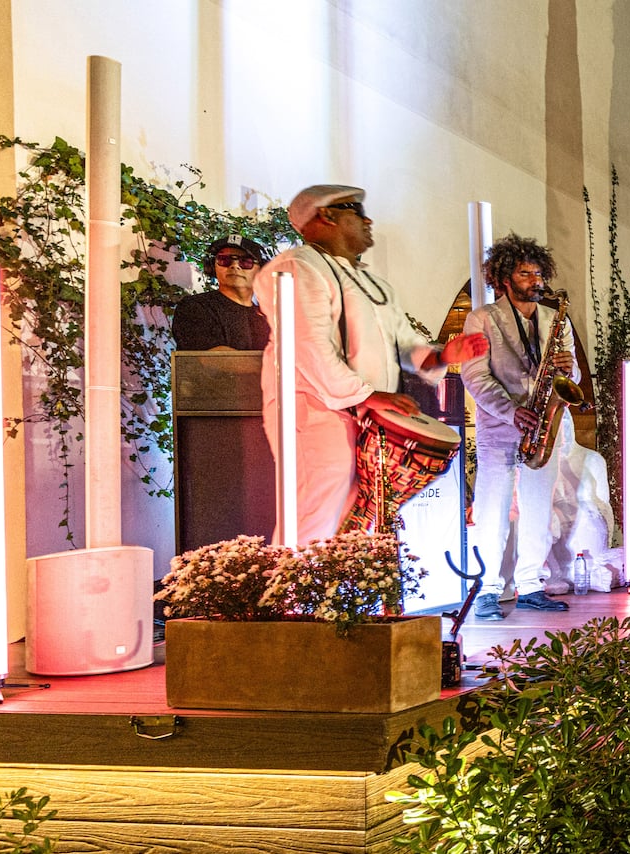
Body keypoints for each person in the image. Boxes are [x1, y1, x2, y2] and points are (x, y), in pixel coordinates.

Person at [257, 184, 487, 545]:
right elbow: (308, 345)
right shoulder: (297, 267)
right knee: (318, 511)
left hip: (364, 410)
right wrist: (366, 395)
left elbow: (405, 345)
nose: (369, 220)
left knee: (354, 515)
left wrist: (444, 355)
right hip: (315, 410)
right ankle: (294, 600)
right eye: (357, 211)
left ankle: (337, 598)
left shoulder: (370, 281)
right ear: (326, 216)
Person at [460, 235, 581, 620]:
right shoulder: (481, 318)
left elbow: (573, 375)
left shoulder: (553, 320)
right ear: (504, 278)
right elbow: (474, 375)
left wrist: (567, 369)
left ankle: (531, 584)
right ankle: (488, 588)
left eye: (538, 272)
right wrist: (510, 411)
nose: (535, 279)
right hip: (501, 426)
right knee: (492, 508)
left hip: (544, 425)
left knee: (537, 508)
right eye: (525, 272)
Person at [172, 235, 271, 351]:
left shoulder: (267, 317)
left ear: (261, 270)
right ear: (213, 266)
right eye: (224, 260)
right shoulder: (195, 307)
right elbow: (217, 359)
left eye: (245, 261)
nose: (235, 266)